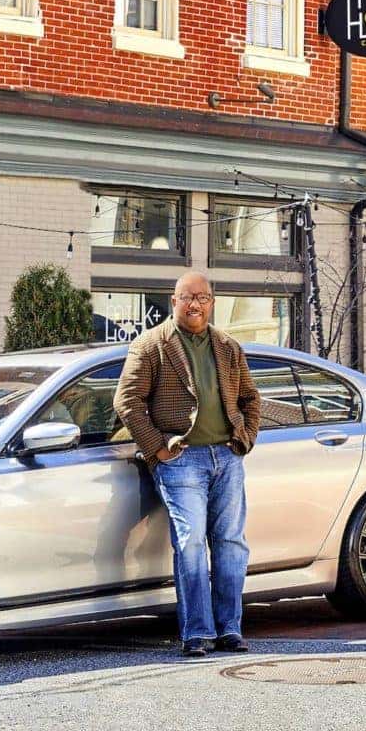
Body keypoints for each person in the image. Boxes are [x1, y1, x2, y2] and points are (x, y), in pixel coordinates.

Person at [114, 271, 262, 657]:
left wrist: (244, 439)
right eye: (187, 297)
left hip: (226, 458)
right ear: (173, 300)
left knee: (231, 544)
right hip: (181, 461)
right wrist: (158, 450)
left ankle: (230, 629)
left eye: (203, 297)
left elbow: (251, 398)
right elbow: (127, 402)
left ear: (212, 302)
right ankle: (197, 633)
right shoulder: (151, 345)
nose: (195, 303)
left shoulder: (227, 346)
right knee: (191, 544)